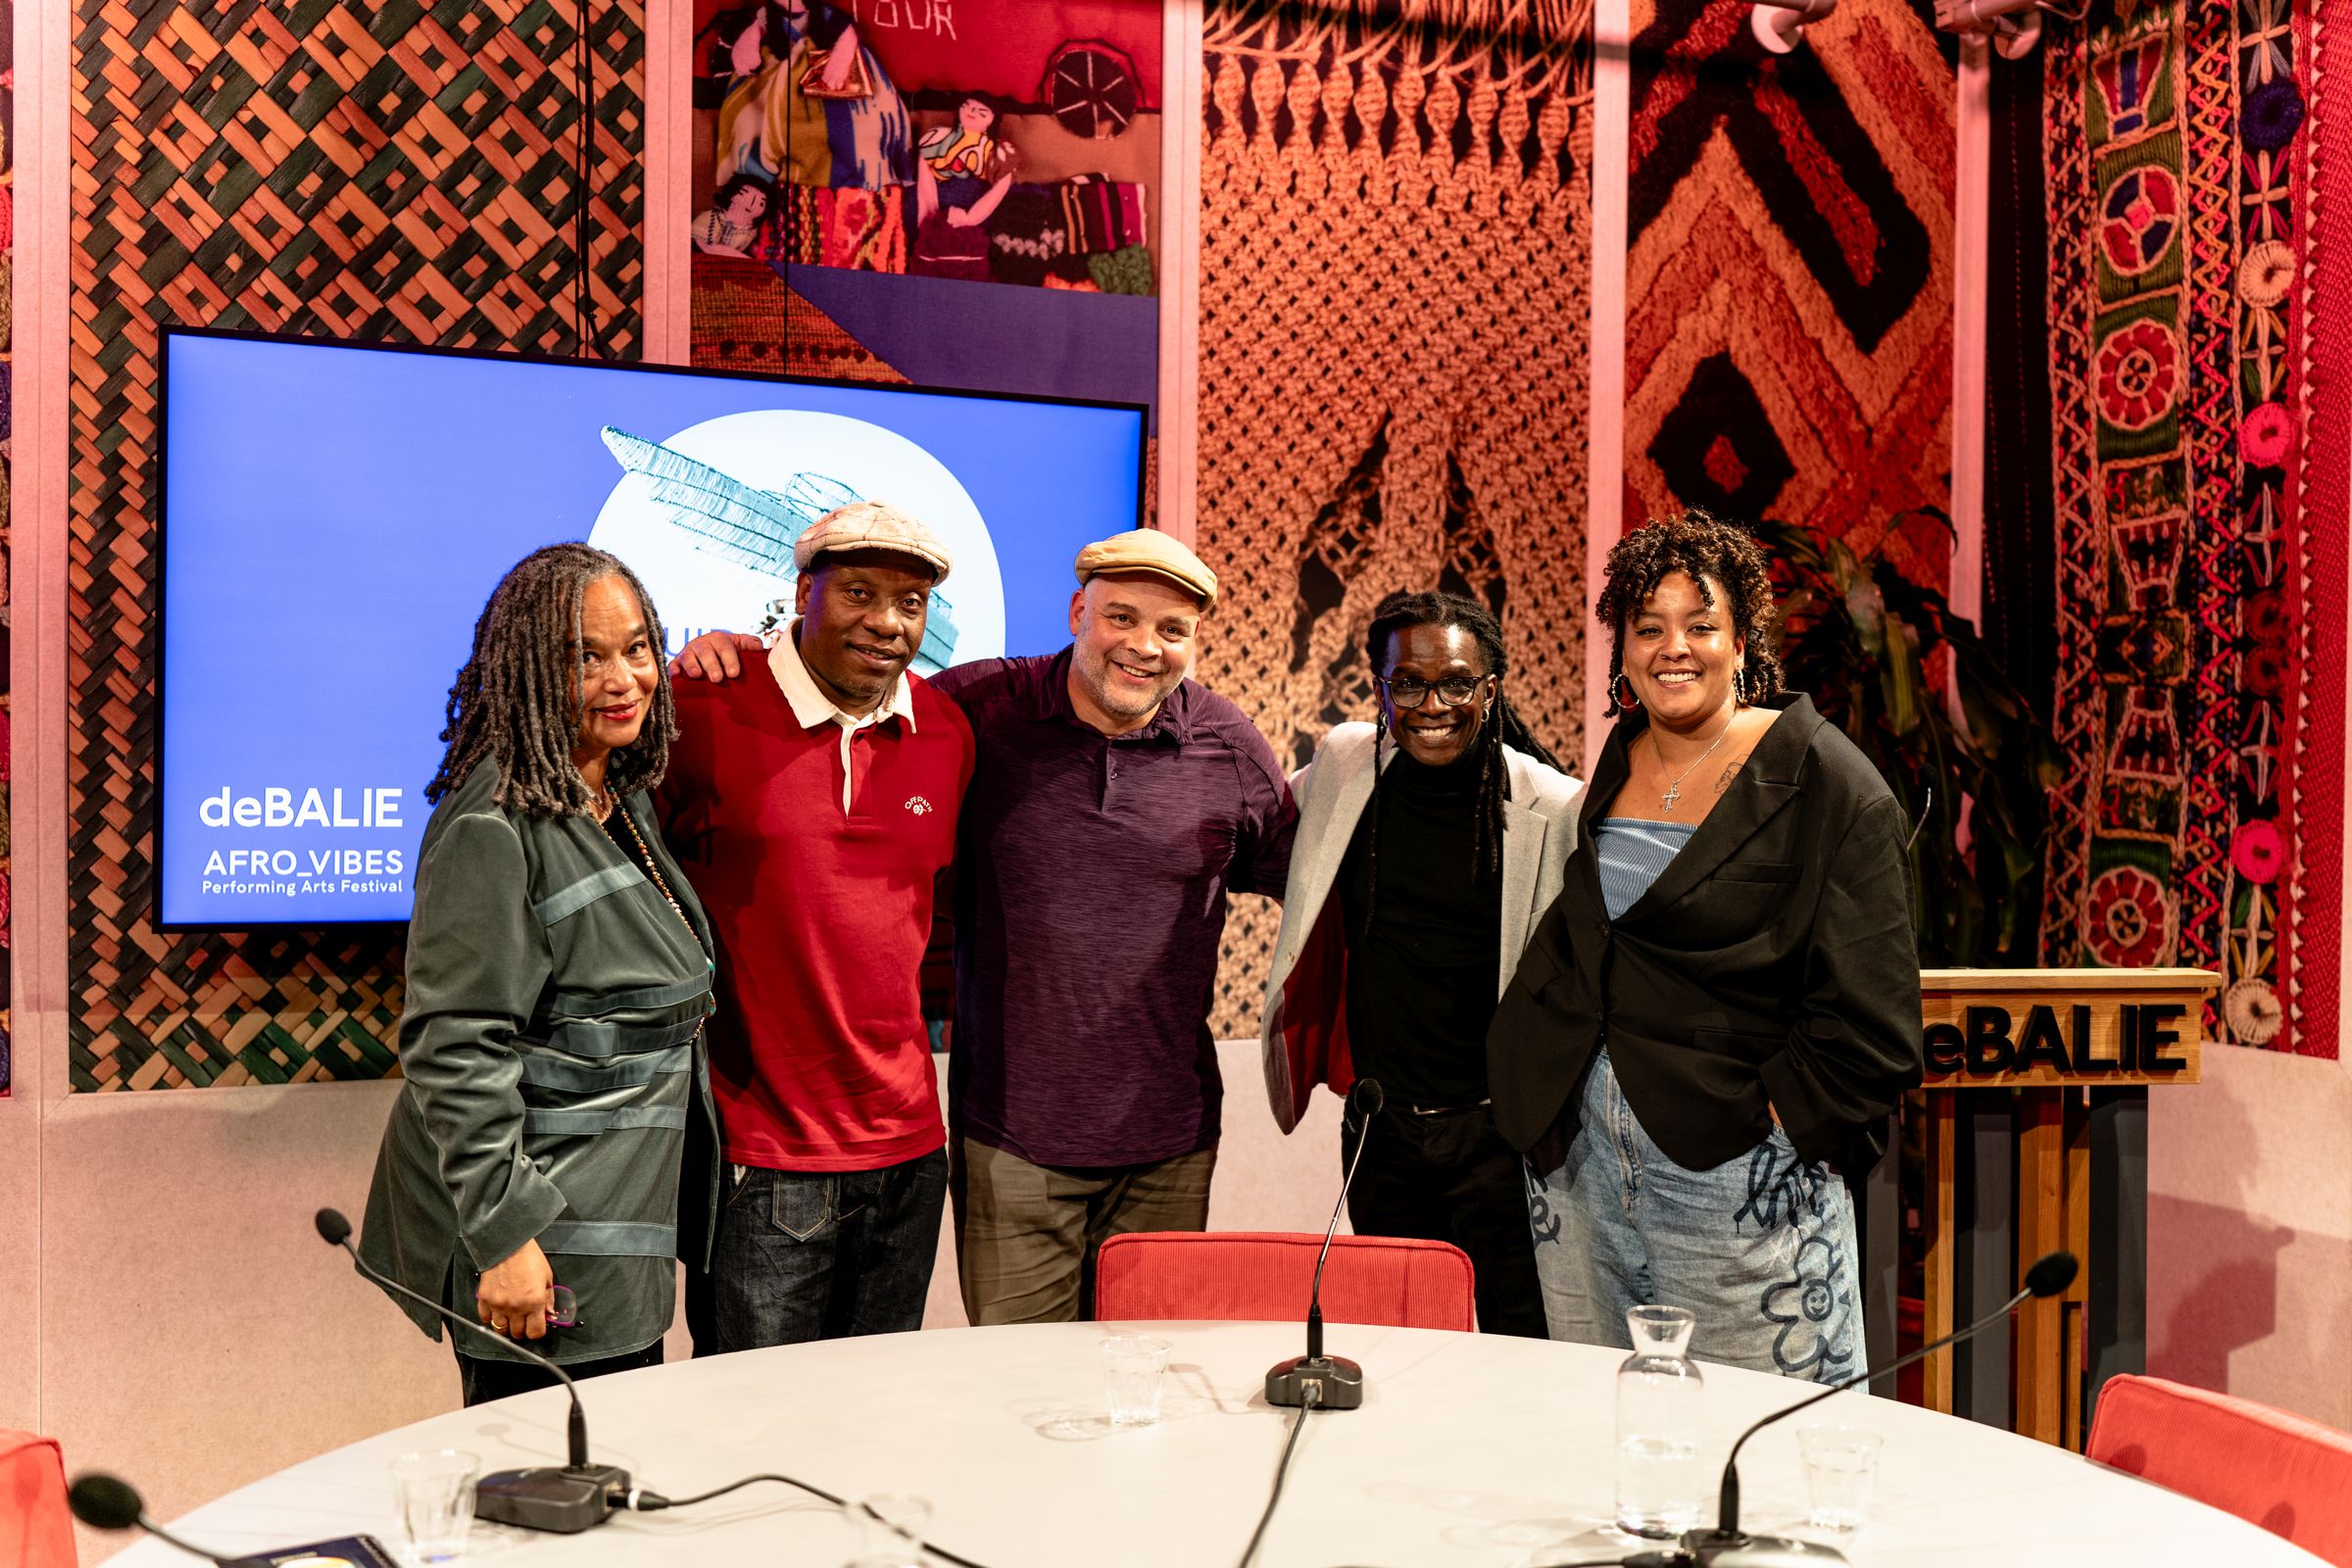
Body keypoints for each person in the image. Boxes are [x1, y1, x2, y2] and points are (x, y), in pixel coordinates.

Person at [674, 529, 1297, 1325]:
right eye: (1121, 617)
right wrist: (745, 651)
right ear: (1077, 613)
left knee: (1146, 1383)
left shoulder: (1230, 746)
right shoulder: (978, 709)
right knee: (1019, 1387)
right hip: (1009, 1140)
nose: (1144, 646)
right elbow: (855, 689)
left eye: (1172, 629)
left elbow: (1309, 882)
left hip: (1170, 1144)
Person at [1487, 510, 1922, 1382]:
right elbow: (1597, 934)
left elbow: (1876, 1026)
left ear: (1742, 640)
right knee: (1604, 1419)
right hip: (1579, 1166)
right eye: (1648, 627)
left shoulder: (1831, 783)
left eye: (1700, 625)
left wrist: (1763, 1128)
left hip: (1731, 1175)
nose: (1672, 648)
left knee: (1761, 1437)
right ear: (1623, 647)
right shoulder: (1622, 757)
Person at [358, 544, 719, 1407]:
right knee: (548, 1479)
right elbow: (452, 1045)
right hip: (546, 1241)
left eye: (637, 649)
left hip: (611, 1226)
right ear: (525, 668)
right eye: (584, 658)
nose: (623, 679)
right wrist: (504, 1236)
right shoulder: (494, 824)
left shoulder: (614, 794)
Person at [659, 502, 974, 1350]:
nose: (887, 623)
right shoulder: (703, 703)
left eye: (911, 603)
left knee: (877, 1412)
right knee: (749, 1418)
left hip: (910, 1151)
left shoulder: (945, 731)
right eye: (859, 593)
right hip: (761, 1156)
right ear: (804, 593)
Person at [1257, 591, 1582, 1339]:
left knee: (1520, 1345)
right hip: (1382, 1130)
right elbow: (1260, 834)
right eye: (1408, 684)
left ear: (1489, 690)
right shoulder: (1345, 767)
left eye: (1456, 683)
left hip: (1502, 1138)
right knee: (1396, 1344)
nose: (1432, 705)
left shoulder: (1553, 808)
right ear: (1381, 689)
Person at [694, 173, 773, 257]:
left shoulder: (751, 231)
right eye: (744, 193)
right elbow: (706, 246)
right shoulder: (712, 218)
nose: (752, 204)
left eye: (761, 203)